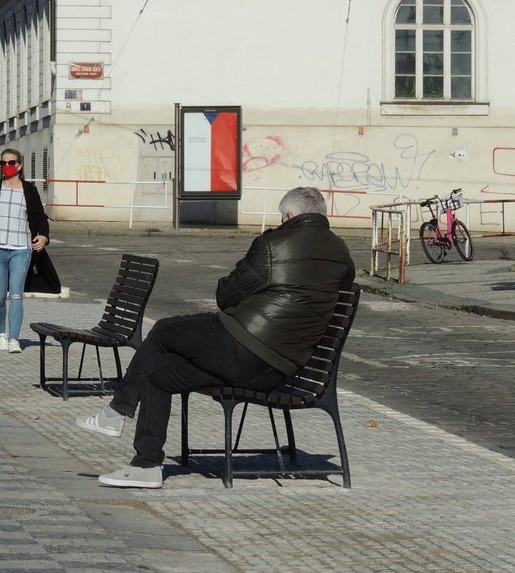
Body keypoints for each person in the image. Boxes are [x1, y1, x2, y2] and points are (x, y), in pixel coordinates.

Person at [74, 187, 354, 489]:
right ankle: (146, 466)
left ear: (289, 215)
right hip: (280, 370)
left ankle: (117, 411)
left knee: (162, 332)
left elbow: (225, 295)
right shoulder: (341, 252)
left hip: (244, 349)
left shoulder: (274, 245)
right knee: (157, 374)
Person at [0, 148, 49, 354]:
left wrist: (43, 236)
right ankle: (1, 334)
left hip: (21, 250)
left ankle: (14, 338)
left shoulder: (29, 191)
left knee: (16, 295)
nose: (7, 166)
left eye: (11, 162)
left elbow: (40, 218)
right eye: (3, 163)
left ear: (19, 165)